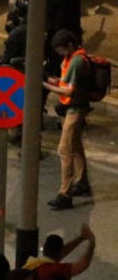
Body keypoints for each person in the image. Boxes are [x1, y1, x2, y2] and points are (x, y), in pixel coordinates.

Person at [43, 30, 90, 210]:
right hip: (72, 108)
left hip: (75, 109)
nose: (61, 54)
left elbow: (69, 91)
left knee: (64, 150)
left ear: (70, 45)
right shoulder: (71, 59)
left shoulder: (77, 61)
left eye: (62, 50)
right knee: (75, 144)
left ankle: (65, 193)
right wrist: (49, 79)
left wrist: (46, 85)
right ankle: (81, 180)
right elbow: (64, 82)